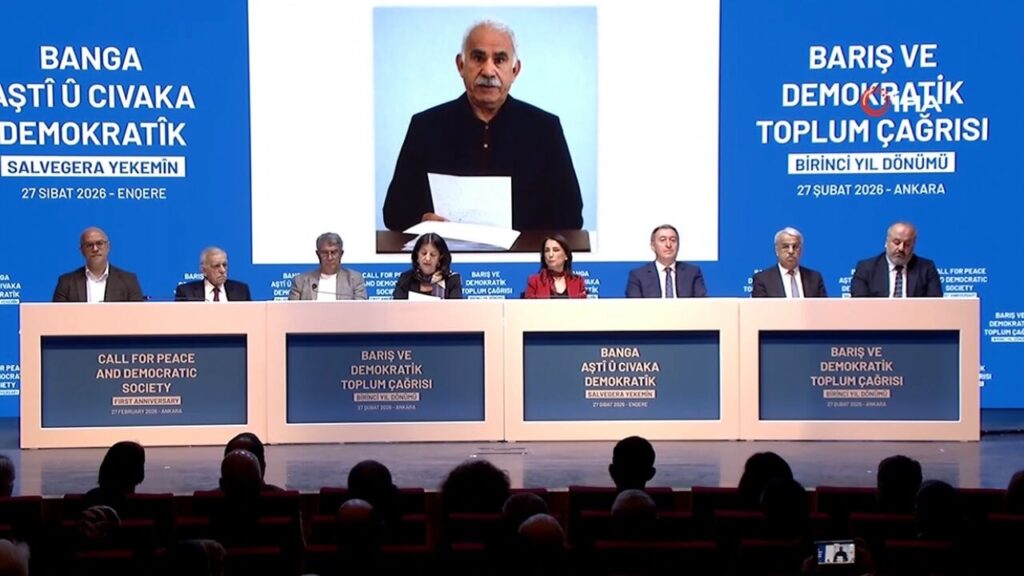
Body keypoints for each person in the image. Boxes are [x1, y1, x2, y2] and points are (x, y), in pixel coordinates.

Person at [383, 20, 583, 232]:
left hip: (522, 252)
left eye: (500, 60)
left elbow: (571, 217)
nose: (488, 71)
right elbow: (394, 213)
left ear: (515, 70)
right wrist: (422, 220)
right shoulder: (425, 127)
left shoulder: (545, 129)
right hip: (446, 250)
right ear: (461, 65)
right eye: (478, 58)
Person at [52, 227, 144, 302]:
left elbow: (138, 315)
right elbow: (57, 316)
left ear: (108, 247)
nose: (95, 249)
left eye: (99, 243)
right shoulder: (66, 283)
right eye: (89, 245)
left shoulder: (128, 281)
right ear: (82, 251)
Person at [851, 221, 942, 298]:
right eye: (896, 242)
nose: (901, 248)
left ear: (913, 246)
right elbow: (860, 304)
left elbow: (935, 304)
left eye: (907, 244)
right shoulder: (866, 269)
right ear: (886, 242)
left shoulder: (926, 269)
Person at [626, 224, 706, 298]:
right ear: (653, 246)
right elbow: (634, 306)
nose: (668, 245)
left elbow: (702, 304)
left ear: (678, 245)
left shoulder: (692, 273)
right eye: (662, 240)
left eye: (673, 240)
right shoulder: (638, 276)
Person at [288, 232, 367, 300]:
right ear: (318, 254)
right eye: (325, 253)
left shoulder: (354, 280)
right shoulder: (300, 281)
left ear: (341, 254)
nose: (330, 258)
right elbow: (292, 311)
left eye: (334, 252)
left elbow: (361, 309)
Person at [752, 227, 827, 298]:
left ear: (801, 250)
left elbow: (824, 306)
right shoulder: (762, 279)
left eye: (795, 246)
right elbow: (760, 307)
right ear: (777, 250)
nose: (791, 251)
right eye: (785, 246)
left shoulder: (815, 278)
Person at [393, 233, 462, 299]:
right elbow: (397, 306)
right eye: (424, 253)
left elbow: (456, 307)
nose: (427, 258)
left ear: (440, 258)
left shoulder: (452, 279)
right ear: (417, 256)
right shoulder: (406, 279)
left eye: (433, 254)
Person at [175, 247, 252, 302]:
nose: (222, 270)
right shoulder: (186, 292)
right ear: (203, 270)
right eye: (216, 266)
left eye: (224, 265)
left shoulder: (241, 290)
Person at [524, 234, 586, 298]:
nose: (550, 255)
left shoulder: (578, 281)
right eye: (547, 251)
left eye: (556, 250)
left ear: (566, 255)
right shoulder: (534, 281)